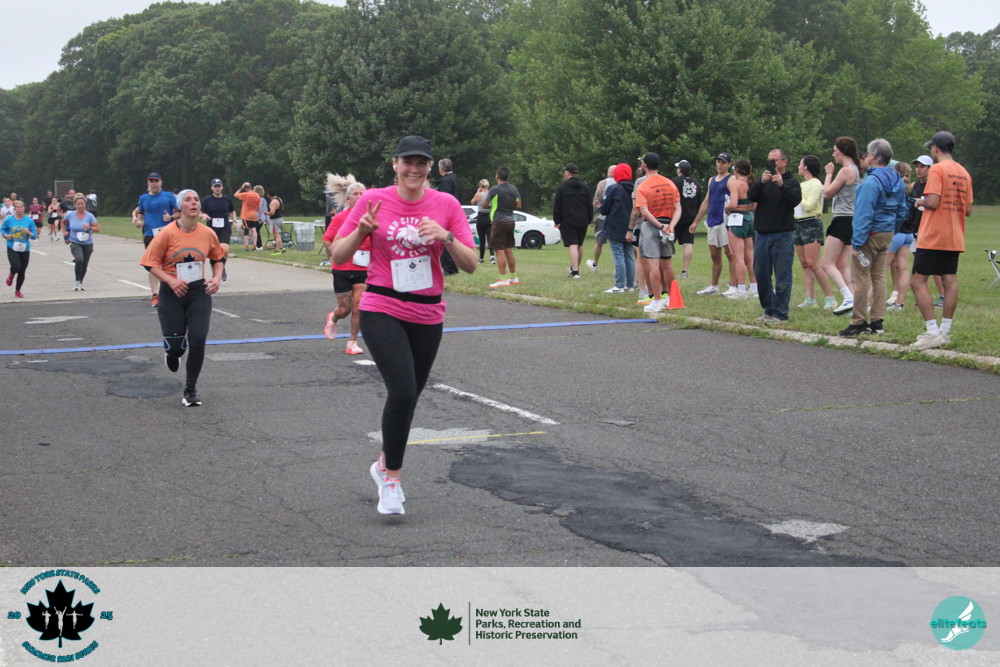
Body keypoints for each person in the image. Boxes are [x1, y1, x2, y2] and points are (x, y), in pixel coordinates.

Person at [330, 135, 477, 515]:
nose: (414, 169)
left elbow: (471, 264)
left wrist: (445, 237)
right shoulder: (373, 199)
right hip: (382, 305)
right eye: (407, 162)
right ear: (394, 165)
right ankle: (392, 479)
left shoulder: (445, 204)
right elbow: (338, 254)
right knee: (403, 388)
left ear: (429, 167)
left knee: (409, 396)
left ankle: (383, 464)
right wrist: (361, 231)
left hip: (428, 312)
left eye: (421, 163)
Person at [140, 189, 225, 407]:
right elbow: (149, 263)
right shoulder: (167, 234)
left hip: (198, 292)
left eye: (196, 199)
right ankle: (172, 352)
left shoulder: (207, 233)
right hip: (172, 292)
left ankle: (190, 390)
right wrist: (170, 281)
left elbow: (218, 258)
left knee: (198, 339)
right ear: (180, 206)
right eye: (188, 200)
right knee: (176, 347)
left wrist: (216, 277)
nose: (193, 203)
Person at [908, 131, 974, 350]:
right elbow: (968, 210)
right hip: (954, 234)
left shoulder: (937, 169)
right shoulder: (964, 172)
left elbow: (933, 202)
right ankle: (945, 331)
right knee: (949, 280)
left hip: (933, 234)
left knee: (917, 281)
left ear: (935, 148)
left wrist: (919, 202)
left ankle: (932, 332)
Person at [837, 139, 907, 337]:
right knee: (879, 277)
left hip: (870, 234)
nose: (866, 158)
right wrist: (892, 228)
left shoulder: (871, 182)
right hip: (887, 233)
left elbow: (863, 214)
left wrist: (857, 242)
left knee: (860, 279)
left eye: (867, 154)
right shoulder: (898, 180)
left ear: (874, 157)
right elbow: (902, 209)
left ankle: (858, 321)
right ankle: (877, 321)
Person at [748, 148, 801, 324]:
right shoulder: (764, 181)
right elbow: (751, 196)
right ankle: (768, 309)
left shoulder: (792, 182)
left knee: (782, 275)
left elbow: (794, 200)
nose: (772, 164)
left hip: (783, 234)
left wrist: (781, 185)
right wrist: (760, 183)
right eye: (769, 161)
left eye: (775, 160)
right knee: (761, 274)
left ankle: (780, 313)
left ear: (784, 162)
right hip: (762, 234)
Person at [322, 179, 368, 354]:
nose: (359, 197)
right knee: (345, 309)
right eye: (355, 194)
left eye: (362, 194)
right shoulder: (340, 218)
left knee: (358, 306)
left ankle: (352, 342)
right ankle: (334, 318)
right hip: (342, 268)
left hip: (363, 269)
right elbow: (327, 240)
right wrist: (337, 253)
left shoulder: (371, 219)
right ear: (348, 199)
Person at [634, 152, 682, 313]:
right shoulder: (670, 184)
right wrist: (671, 226)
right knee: (667, 264)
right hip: (668, 225)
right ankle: (670, 297)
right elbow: (678, 208)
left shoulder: (643, 186)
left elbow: (644, 211)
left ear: (645, 165)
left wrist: (660, 226)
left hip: (651, 226)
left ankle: (657, 299)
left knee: (653, 264)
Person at [822, 137, 863, 315]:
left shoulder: (846, 170)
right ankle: (854, 299)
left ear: (842, 152)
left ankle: (848, 298)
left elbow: (826, 193)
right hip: (852, 219)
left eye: (835, 150)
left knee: (827, 264)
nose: (833, 154)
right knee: (842, 263)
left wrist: (829, 173)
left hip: (842, 219)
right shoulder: (856, 169)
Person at [691, 153, 735, 295]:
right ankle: (714, 286)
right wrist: (696, 221)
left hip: (725, 221)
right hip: (712, 221)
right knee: (715, 256)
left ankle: (733, 286)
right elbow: (706, 201)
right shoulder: (711, 180)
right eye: (718, 162)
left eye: (723, 162)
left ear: (729, 164)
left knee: (730, 254)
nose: (720, 165)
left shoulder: (731, 179)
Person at [794, 155, 835, 308]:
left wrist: (795, 195)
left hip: (811, 223)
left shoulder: (816, 183)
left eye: (800, 164)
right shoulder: (801, 184)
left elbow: (809, 205)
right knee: (804, 263)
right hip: (798, 224)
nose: (798, 167)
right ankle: (810, 298)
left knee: (813, 263)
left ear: (806, 167)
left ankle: (830, 298)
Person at [132, 172, 178, 307]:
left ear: (161, 182)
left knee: (168, 264)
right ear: (148, 183)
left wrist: (171, 217)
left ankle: (170, 292)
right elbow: (141, 212)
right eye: (151, 181)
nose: (154, 184)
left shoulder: (168, 196)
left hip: (167, 235)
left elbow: (180, 212)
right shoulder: (143, 198)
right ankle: (155, 295)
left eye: (156, 181)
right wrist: (138, 221)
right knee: (153, 266)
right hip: (150, 235)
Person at [723, 158, 757, 298]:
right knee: (750, 256)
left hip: (736, 220)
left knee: (738, 257)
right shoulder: (751, 184)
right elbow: (754, 206)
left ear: (736, 170)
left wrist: (726, 208)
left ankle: (741, 289)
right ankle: (754, 287)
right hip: (748, 219)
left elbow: (734, 204)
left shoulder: (735, 184)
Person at [553, 162, 593, 279]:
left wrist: (557, 220)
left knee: (573, 245)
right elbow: (589, 205)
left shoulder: (562, 187)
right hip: (582, 220)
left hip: (568, 220)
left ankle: (575, 271)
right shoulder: (584, 187)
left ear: (568, 173)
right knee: (579, 245)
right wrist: (590, 218)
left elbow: (557, 205)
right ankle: (576, 268)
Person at [483, 166, 521, 288]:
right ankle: (514, 277)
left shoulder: (495, 189)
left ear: (497, 177)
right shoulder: (514, 189)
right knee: (508, 249)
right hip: (511, 220)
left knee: (499, 250)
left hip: (499, 221)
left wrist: (491, 204)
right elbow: (518, 205)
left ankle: (503, 279)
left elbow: (484, 205)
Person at [601, 163, 636, 293]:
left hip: (615, 225)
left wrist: (601, 206)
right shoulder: (635, 188)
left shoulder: (614, 188)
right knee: (629, 255)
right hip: (631, 225)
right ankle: (630, 284)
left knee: (618, 255)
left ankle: (619, 285)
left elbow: (605, 209)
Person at [671, 159, 702, 278]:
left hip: (676, 216)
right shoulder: (696, 183)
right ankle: (685, 271)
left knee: (668, 242)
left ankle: (667, 266)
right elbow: (699, 202)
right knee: (688, 243)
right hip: (691, 217)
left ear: (680, 170)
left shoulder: (674, 182)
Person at [62, 193, 100, 291]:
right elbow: (63, 222)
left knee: (84, 264)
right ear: (75, 205)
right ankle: (76, 281)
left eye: (82, 204)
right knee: (79, 259)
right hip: (75, 241)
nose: (80, 206)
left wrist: (90, 227)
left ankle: (80, 282)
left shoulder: (90, 216)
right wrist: (64, 232)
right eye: (78, 204)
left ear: (85, 204)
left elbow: (97, 229)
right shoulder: (70, 215)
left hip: (87, 243)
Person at [3, 200, 38, 299]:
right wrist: (6, 235)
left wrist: (29, 232)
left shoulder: (29, 221)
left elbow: (34, 236)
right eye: (17, 207)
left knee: (22, 270)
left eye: (21, 207)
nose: (19, 209)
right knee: (16, 266)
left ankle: (17, 291)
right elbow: (2, 229)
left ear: (24, 208)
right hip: (12, 247)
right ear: (15, 209)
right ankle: (11, 275)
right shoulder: (9, 220)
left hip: (24, 248)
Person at [201, 178, 236, 272]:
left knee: (224, 250)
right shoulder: (207, 200)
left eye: (219, 186)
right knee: (213, 253)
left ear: (222, 187)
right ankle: (215, 273)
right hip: (211, 229)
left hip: (224, 228)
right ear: (212, 187)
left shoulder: (226, 199)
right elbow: (200, 212)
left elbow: (232, 211)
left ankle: (221, 268)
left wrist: (234, 221)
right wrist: (203, 215)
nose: (217, 188)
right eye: (215, 186)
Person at [587, 165, 615, 273]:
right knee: (616, 244)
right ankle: (618, 267)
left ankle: (595, 264)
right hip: (617, 218)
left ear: (610, 172)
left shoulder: (603, 183)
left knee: (599, 242)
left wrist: (591, 216)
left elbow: (596, 200)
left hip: (603, 217)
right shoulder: (622, 184)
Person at [435, 158, 460, 275]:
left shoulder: (445, 181)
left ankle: (449, 268)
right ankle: (453, 267)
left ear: (441, 168)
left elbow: (443, 200)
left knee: (445, 240)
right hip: (455, 213)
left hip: (447, 214)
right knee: (451, 240)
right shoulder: (454, 178)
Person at [470, 179, 494, 264]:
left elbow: (472, 202)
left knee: (482, 239)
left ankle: (481, 258)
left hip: (481, 217)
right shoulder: (491, 194)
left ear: (480, 186)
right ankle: (492, 257)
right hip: (489, 216)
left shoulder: (478, 194)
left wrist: (477, 192)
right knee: (490, 238)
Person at [234, 182, 261, 252]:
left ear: (245, 188)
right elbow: (259, 207)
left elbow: (235, 194)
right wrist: (260, 216)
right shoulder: (256, 195)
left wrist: (241, 188)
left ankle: (247, 247)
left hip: (245, 215)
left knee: (246, 231)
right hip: (253, 215)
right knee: (254, 230)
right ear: (250, 187)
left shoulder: (245, 194)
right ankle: (254, 247)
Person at [266, 188, 286, 255]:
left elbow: (272, 212)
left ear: (268, 195)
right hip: (280, 218)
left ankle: (278, 250)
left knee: (277, 235)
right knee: (278, 234)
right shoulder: (279, 199)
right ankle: (282, 248)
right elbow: (282, 208)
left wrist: (266, 213)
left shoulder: (273, 202)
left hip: (275, 220)